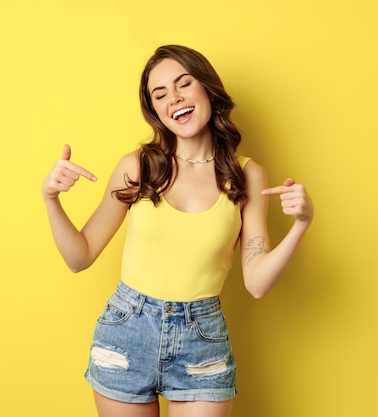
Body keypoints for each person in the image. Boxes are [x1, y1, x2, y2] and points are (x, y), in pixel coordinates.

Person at [42, 45, 313, 417]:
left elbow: (257, 282)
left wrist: (301, 225)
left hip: (202, 341)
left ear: (207, 89)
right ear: (154, 110)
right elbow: (80, 256)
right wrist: (51, 199)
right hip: (126, 331)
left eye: (184, 84)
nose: (175, 99)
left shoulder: (247, 175)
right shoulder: (138, 166)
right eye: (160, 94)